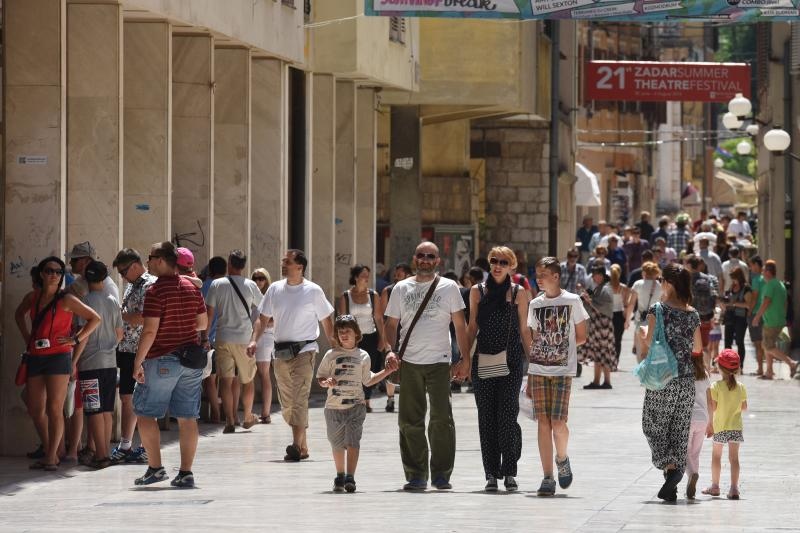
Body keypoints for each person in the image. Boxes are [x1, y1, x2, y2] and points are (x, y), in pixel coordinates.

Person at [384, 241, 471, 491]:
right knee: (409, 421)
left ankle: (442, 474)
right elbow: (391, 325)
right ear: (414, 258)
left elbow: (460, 325)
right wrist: (390, 351)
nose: (424, 259)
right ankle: (416, 474)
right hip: (409, 361)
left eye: (429, 256)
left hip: (440, 362)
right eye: (421, 255)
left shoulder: (449, 287)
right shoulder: (401, 288)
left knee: (442, 419)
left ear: (437, 261)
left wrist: (464, 359)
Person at [132, 241, 208, 487]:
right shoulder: (191, 287)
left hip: (162, 360)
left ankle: (155, 468)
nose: (147, 262)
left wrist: (137, 362)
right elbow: (202, 323)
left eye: (150, 257)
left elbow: (150, 331)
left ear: (162, 260)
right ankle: (186, 473)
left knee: (145, 414)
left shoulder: (155, 291)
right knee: (187, 417)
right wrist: (180, 325)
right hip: (190, 362)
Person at [14, 256, 101, 470]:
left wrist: (76, 339)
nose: (54, 275)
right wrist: (27, 337)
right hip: (36, 356)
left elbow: (95, 318)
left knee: (55, 408)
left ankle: (52, 455)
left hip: (59, 357)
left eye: (58, 272)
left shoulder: (66, 299)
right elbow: (18, 315)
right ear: (42, 274)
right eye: (50, 271)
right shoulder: (33, 297)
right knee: (35, 408)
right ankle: (51, 448)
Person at [248, 249, 335, 462]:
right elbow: (262, 318)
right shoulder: (275, 289)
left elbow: (326, 322)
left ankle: (295, 445)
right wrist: (254, 340)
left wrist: (337, 350)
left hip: (305, 351)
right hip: (280, 352)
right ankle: (303, 446)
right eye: (283, 261)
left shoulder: (313, 291)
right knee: (287, 403)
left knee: (299, 398)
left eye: (288, 261)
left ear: (300, 266)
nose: (283, 264)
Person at [466, 247, 532, 492]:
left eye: (503, 262)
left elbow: (525, 330)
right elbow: (472, 327)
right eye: (494, 261)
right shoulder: (477, 291)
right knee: (487, 419)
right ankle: (491, 473)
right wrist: (463, 358)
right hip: (483, 359)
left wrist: (534, 363)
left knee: (507, 417)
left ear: (511, 266)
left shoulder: (518, 293)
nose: (497, 265)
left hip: (512, 361)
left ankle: (510, 472)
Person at [639, 263, 702, 502]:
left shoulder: (658, 310)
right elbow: (697, 348)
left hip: (662, 379)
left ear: (668, 283)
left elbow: (650, 344)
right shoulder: (692, 313)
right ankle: (671, 486)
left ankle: (671, 467)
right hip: (686, 380)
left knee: (653, 426)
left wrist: (644, 335)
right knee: (678, 431)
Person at [527, 256, 588, 496]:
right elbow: (534, 339)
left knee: (558, 423)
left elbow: (582, 336)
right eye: (537, 275)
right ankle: (547, 477)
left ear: (555, 276)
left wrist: (561, 346)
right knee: (543, 423)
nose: (538, 279)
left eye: (542, 275)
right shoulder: (535, 304)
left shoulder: (572, 301)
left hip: (563, 370)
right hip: (539, 369)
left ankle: (562, 458)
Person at [316, 315, 397, 493]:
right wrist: (325, 382)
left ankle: (350, 477)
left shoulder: (363, 356)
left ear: (356, 334)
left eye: (348, 331)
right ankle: (340, 474)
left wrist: (387, 371)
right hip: (334, 408)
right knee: (336, 443)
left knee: (353, 441)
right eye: (340, 332)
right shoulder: (331, 355)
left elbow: (368, 380)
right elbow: (320, 378)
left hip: (356, 406)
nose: (344, 335)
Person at [72, 261, 123, 469]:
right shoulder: (112, 300)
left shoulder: (83, 302)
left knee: (93, 409)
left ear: (86, 278)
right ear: (104, 277)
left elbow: (82, 336)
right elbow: (120, 333)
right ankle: (106, 452)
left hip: (89, 363)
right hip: (110, 362)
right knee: (106, 409)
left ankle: (101, 455)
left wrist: (74, 361)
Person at [206, 250, 263, 433]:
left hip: (222, 338)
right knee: (247, 381)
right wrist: (255, 337)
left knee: (225, 381)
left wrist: (204, 336)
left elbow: (210, 313)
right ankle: (247, 416)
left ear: (229, 263)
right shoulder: (250, 285)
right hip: (244, 339)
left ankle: (229, 420)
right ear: (244, 265)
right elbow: (262, 311)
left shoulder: (217, 284)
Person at [110, 248, 156, 464]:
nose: (122, 276)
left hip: (142, 350)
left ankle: (144, 446)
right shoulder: (132, 285)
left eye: (123, 271)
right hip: (127, 349)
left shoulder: (149, 285)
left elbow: (147, 318)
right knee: (127, 397)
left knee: (142, 399)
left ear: (136, 266)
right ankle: (126, 444)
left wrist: (122, 316)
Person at [337, 264, 389, 413]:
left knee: (369, 370)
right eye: (363, 276)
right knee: (353, 368)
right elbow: (342, 320)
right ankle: (355, 398)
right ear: (355, 278)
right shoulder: (345, 296)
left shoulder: (373, 295)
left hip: (371, 337)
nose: (366, 278)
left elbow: (379, 319)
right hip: (353, 340)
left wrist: (383, 339)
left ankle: (366, 400)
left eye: (368, 275)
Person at [703, 349, 747, 500]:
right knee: (734, 458)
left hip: (720, 426)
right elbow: (744, 407)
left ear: (720, 368)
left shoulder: (716, 386)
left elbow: (713, 407)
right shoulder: (741, 386)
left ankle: (715, 486)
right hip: (735, 427)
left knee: (716, 456)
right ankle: (734, 488)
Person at [752, 260, 797, 379]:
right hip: (776, 320)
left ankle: (791, 363)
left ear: (768, 272)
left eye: (763, 270)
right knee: (767, 344)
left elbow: (766, 302)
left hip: (772, 322)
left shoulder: (771, 284)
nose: (761, 273)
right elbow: (785, 303)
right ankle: (769, 371)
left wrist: (757, 317)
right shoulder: (779, 284)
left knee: (767, 346)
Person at [378, 262, 414, 410]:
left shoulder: (413, 290)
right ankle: (390, 398)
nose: (396, 275)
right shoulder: (388, 290)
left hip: (408, 332)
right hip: (393, 330)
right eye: (396, 272)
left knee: (408, 366)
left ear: (407, 274)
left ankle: (406, 398)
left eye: (399, 272)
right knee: (390, 365)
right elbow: (383, 316)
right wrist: (383, 338)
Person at [579, 264, 617, 387]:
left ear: (601, 276)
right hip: (599, 325)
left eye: (595, 275)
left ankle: (605, 381)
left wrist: (589, 300)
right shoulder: (601, 287)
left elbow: (603, 307)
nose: (594, 277)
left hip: (603, 325)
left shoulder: (606, 289)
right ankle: (598, 381)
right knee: (599, 352)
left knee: (603, 352)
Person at [200, 256, 227, 423]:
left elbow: (204, 314)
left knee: (209, 379)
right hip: (226, 338)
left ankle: (215, 414)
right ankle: (227, 414)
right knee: (226, 379)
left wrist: (204, 337)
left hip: (208, 338)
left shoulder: (205, 287)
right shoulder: (228, 286)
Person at [685, 353, 712, 500]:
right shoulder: (705, 375)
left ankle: (692, 475)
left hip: (688, 418)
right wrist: (711, 424)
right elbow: (710, 401)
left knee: (685, 451)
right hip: (703, 418)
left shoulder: (684, 374)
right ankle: (693, 478)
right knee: (695, 453)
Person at [686, 255, 718, 369]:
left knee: (690, 346)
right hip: (706, 316)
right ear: (699, 265)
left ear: (689, 265)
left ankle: (693, 371)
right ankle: (707, 370)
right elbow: (714, 296)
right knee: (704, 347)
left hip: (690, 318)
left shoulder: (686, 279)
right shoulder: (708, 278)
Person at [251, 267, 274, 423]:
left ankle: (266, 413)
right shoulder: (250, 294)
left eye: (261, 278)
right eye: (255, 278)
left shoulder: (269, 297)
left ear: (266, 280)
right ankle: (249, 411)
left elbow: (273, 319)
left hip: (265, 338)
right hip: (249, 337)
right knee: (250, 375)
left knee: (264, 374)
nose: (258, 281)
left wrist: (262, 324)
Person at [627, 262, 662, 358]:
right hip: (656, 320)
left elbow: (631, 303)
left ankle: (645, 371)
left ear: (644, 272)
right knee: (653, 350)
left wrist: (627, 321)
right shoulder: (660, 286)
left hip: (641, 321)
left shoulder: (638, 284)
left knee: (643, 350)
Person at [722, 267, 752, 370]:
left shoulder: (746, 288)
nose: (733, 280)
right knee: (727, 342)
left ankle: (740, 366)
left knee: (739, 341)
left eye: (734, 278)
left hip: (741, 318)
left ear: (739, 277)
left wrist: (734, 303)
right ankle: (727, 365)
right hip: (730, 316)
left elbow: (748, 305)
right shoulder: (732, 287)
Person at [747, 256, 765, 376]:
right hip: (764, 313)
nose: (750, 268)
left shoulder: (756, 280)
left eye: (751, 265)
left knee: (757, 343)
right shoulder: (765, 278)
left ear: (757, 265)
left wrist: (750, 311)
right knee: (763, 343)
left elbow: (754, 297)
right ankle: (764, 367)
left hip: (755, 313)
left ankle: (760, 369)